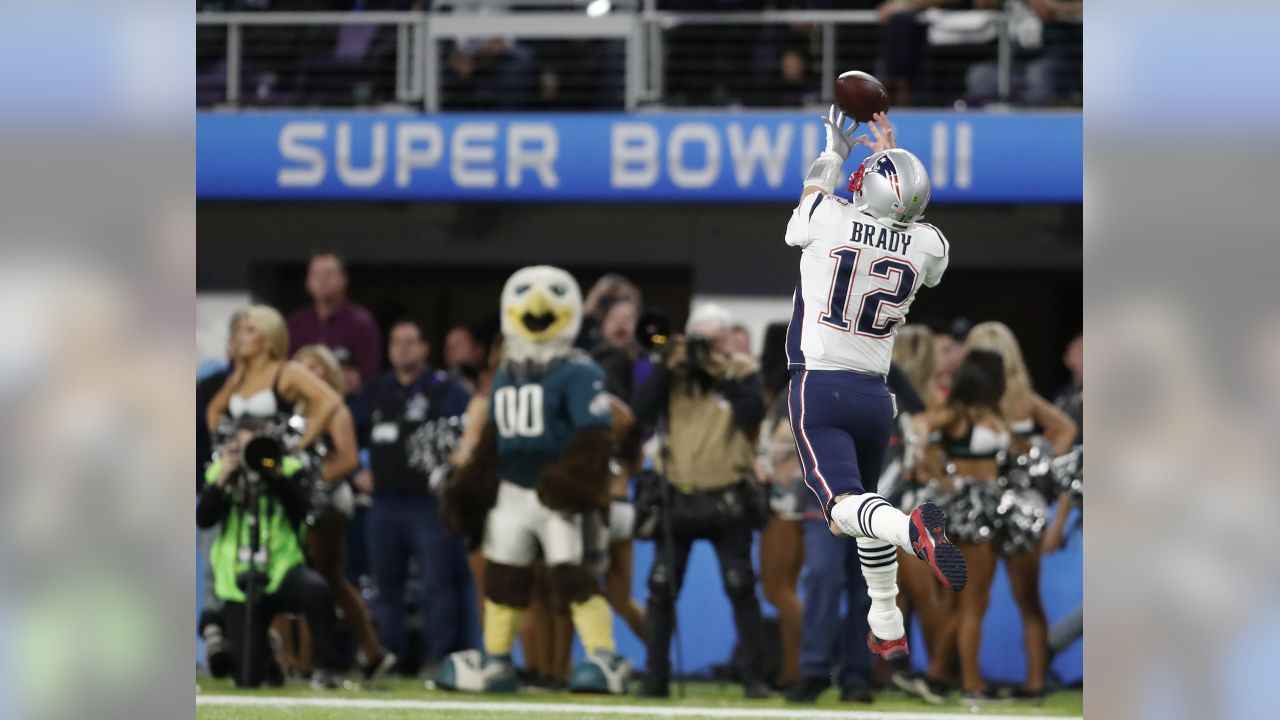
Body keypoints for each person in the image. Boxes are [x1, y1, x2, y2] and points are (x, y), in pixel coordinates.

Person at [784, 107, 965, 673]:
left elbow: (807, 207)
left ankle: (915, 532)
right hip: (875, 398)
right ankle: (885, 625)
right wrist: (889, 155)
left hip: (820, 385)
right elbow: (898, 217)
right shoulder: (928, 244)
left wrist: (838, 154)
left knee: (843, 508)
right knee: (862, 512)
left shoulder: (829, 216)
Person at [437, 266, 630, 695]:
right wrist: (471, 486)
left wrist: (571, 483)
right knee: (503, 577)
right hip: (511, 493)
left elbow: (594, 438)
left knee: (573, 578)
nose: (539, 306)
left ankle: (603, 655)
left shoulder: (579, 372)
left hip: (557, 495)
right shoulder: (505, 374)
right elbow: (492, 439)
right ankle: (497, 658)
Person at [632, 303, 771, 700]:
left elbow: (750, 415)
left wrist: (719, 371)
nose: (702, 350)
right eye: (699, 342)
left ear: (726, 342)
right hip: (676, 493)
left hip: (728, 498)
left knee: (741, 587)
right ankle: (654, 675)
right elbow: (642, 411)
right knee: (660, 588)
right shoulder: (673, 373)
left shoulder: (742, 370)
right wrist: (665, 367)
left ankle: (753, 677)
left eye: (711, 342)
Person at [964, 321, 1076, 701]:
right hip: (1019, 505)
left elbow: (1065, 430)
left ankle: (974, 685)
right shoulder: (1017, 397)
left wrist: (1036, 467)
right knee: (1020, 599)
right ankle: (1032, 684)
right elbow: (1065, 431)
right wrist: (1037, 468)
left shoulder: (984, 400)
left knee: (981, 598)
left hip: (988, 505)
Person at [357, 319, 474, 676]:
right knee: (386, 587)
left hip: (427, 502)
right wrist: (354, 471)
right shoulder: (377, 389)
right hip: (384, 504)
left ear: (425, 348)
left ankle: (437, 658)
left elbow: (465, 434)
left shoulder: (446, 390)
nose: (402, 349)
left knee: (436, 584)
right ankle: (390, 656)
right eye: (396, 342)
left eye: (410, 342)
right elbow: (348, 430)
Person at [197, 419, 340, 689]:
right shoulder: (222, 471)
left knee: (317, 591)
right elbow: (204, 518)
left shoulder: (288, 469)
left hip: (282, 571)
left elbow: (305, 512)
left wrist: (273, 473)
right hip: (238, 581)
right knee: (248, 679)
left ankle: (323, 668)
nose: (251, 453)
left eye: (257, 445)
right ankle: (268, 656)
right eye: (244, 446)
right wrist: (224, 477)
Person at [909, 349, 1011, 703]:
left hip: (991, 510)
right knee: (974, 601)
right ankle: (971, 684)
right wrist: (940, 475)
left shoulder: (992, 412)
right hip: (969, 514)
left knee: (968, 602)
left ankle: (937, 674)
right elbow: (920, 427)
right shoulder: (955, 413)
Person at [291, 345, 396, 682]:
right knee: (306, 578)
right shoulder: (295, 410)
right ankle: (300, 658)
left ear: (330, 372)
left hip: (330, 501)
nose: (309, 373)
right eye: (302, 366)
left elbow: (348, 460)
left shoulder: (335, 408)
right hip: (298, 501)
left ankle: (317, 660)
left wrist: (310, 479)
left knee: (324, 579)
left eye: (316, 367)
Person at [287, 252, 383, 384]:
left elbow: (370, 376)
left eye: (328, 274)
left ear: (344, 279)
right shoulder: (296, 323)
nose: (322, 280)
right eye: (316, 274)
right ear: (307, 282)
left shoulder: (361, 322)